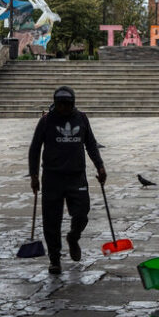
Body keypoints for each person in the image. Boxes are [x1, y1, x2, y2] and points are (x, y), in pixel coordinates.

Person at [28, 86, 106, 275]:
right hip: (52, 177)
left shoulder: (81, 118)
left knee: (82, 213)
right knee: (51, 221)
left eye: (67, 104)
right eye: (60, 104)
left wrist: (100, 166)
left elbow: (91, 144)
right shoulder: (46, 120)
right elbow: (35, 148)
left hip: (76, 176)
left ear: (73, 104)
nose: (63, 108)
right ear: (55, 103)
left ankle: (73, 237)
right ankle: (55, 260)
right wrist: (34, 175)